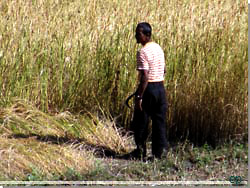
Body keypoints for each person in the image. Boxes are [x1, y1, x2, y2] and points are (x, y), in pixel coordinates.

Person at [127, 22, 168, 160]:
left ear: (147, 35)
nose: (136, 36)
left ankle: (140, 151)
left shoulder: (142, 52)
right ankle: (159, 153)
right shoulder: (158, 48)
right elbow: (164, 69)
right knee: (159, 122)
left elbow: (145, 76)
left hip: (149, 89)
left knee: (140, 121)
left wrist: (139, 96)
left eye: (138, 34)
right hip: (160, 88)